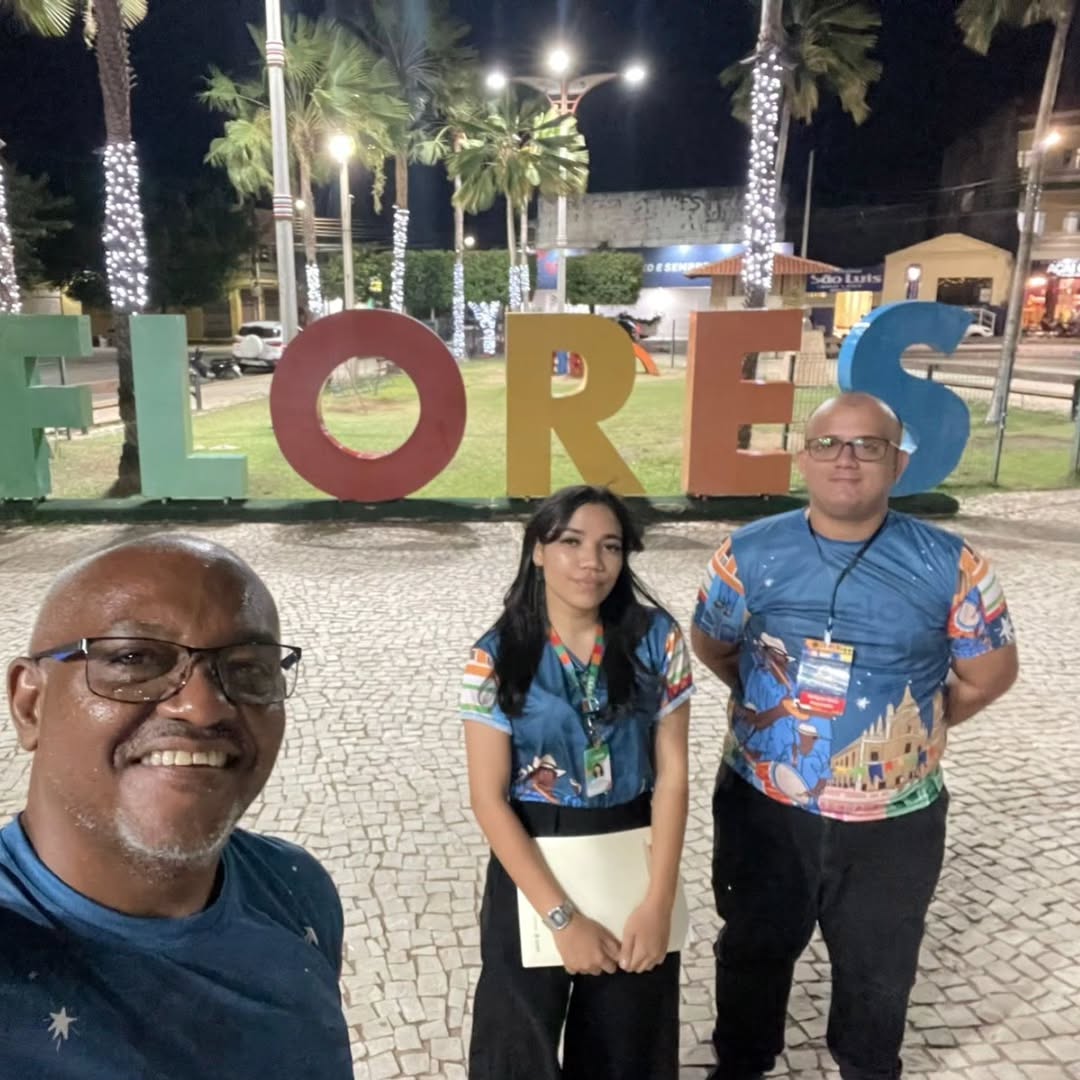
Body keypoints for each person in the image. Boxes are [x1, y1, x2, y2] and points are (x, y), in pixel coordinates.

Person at [691, 392, 1019, 1080]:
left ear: (898, 463)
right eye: (828, 443)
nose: (847, 459)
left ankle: (868, 1068)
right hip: (763, 806)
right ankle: (741, 1063)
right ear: (802, 459)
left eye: (869, 445)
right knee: (751, 945)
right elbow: (715, 646)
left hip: (893, 823)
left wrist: (921, 728)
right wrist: (772, 711)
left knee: (879, 963)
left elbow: (988, 675)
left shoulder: (953, 564)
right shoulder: (746, 554)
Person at [0, 535, 352, 1079]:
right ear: (31, 704)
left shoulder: (295, 889)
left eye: (250, 668)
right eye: (135, 659)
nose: (203, 706)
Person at [461, 485, 693, 1080]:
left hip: (630, 842)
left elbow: (672, 778)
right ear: (538, 551)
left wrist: (658, 901)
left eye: (610, 546)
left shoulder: (657, 641)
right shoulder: (495, 657)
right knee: (519, 1044)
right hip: (533, 848)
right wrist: (562, 920)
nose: (592, 562)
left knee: (628, 1044)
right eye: (572, 542)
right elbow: (488, 799)